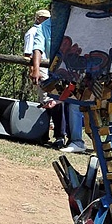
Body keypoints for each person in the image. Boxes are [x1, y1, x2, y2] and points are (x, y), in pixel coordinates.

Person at [24, 8, 62, 146]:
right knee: (47, 100)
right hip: (42, 69)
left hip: (52, 69)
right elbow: (29, 53)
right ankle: (45, 133)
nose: (46, 19)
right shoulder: (33, 32)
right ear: (38, 18)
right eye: (43, 17)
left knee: (54, 101)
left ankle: (55, 134)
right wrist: (34, 69)